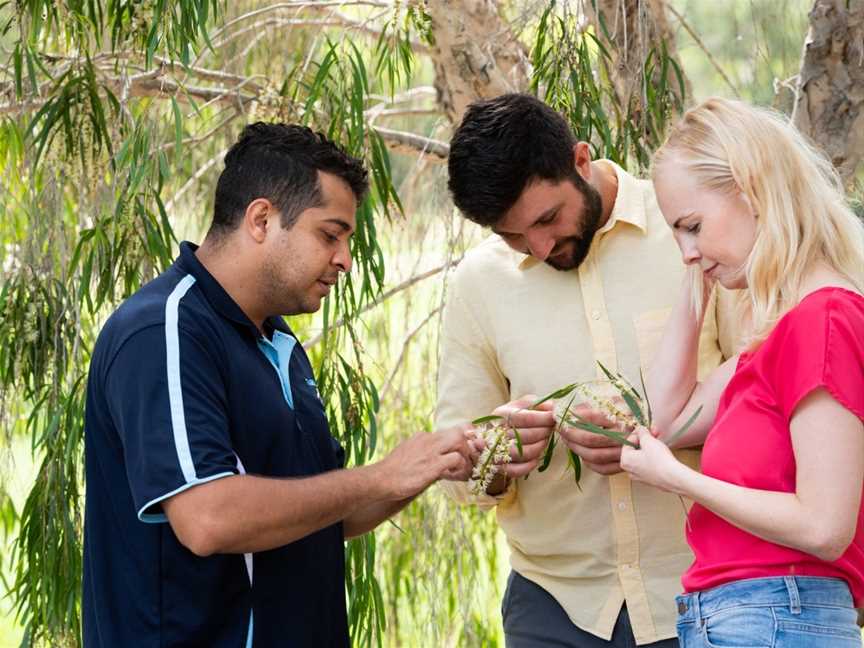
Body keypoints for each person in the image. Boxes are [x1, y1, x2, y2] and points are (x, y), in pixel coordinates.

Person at [82, 122, 474, 647]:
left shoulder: (280, 345)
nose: (345, 260)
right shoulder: (164, 330)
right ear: (261, 219)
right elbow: (207, 517)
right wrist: (381, 476)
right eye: (329, 235)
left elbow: (325, 511)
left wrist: (435, 461)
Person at [438, 93, 739, 647]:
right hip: (553, 607)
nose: (539, 246)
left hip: (709, 592)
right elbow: (457, 460)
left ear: (580, 160)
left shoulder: (690, 231)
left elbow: (767, 385)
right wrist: (494, 455)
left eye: (548, 218)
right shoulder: (477, 286)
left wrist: (655, 428)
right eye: (512, 236)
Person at [619, 97, 864, 647]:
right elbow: (665, 422)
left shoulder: (823, 319)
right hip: (743, 617)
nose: (685, 250)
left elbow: (825, 527)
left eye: (692, 225)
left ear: (752, 189)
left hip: (775, 615)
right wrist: (696, 281)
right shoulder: (775, 336)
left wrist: (679, 479)